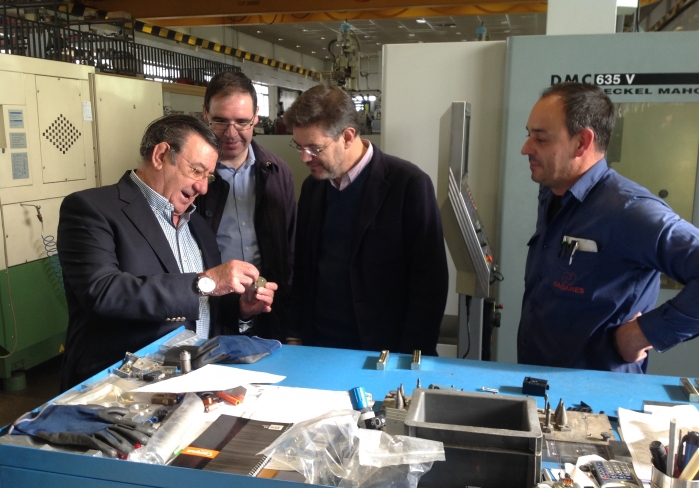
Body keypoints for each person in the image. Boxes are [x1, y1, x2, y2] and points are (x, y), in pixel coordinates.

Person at [57, 115, 278, 390]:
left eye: (208, 176)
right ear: (161, 155)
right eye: (196, 171)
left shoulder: (199, 226)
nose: (203, 188)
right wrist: (206, 282)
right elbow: (103, 291)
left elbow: (202, 312)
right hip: (118, 386)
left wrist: (241, 310)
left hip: (193, 383)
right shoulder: (91, 209)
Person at [518, 82, 699, 373]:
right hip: (542, 378)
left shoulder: (629, 211)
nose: (525, 148)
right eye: (528, 135)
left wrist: (643, 333)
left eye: (540, 138)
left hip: (598, 391)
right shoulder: (553, 195)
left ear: (582, 142)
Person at [283, 84, 448, 355]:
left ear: (348, 136)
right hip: (319, 347)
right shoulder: (314, 187)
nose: (303, 158)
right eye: (299, 146)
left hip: (384, 350)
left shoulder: (408, 184)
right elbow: (303, 269)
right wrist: (294, 334)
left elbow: (430, 282)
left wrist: (410, 357)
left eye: (314, 148)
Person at [197, 71, 296, 341]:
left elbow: (289, 249)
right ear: (205, 113)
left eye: (242, 122)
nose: (231, 134)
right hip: (209, 307)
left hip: (266, 305)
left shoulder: (277, 172)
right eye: (220, 121)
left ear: (256, 117)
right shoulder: (191, 176)